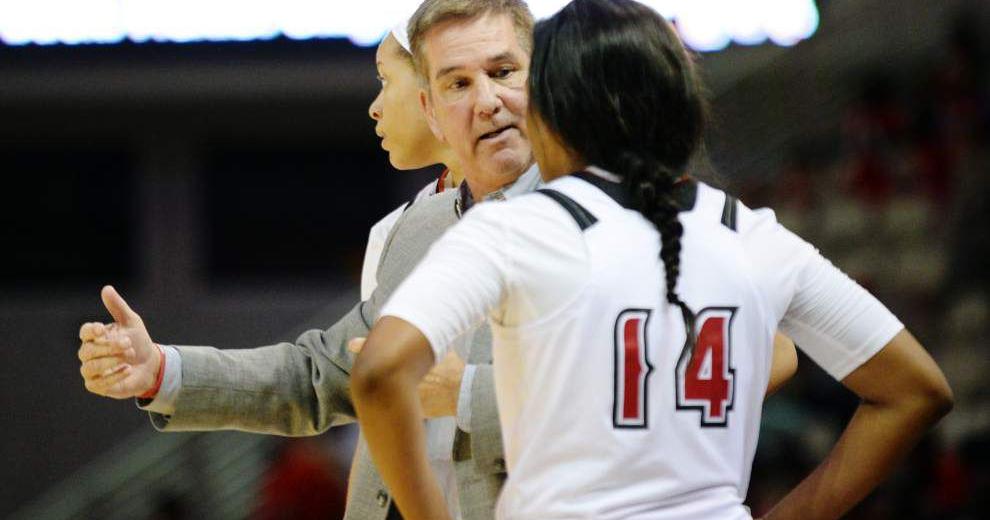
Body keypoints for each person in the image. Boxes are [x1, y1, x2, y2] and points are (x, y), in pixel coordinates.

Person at [78, 1, 795, 518]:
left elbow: (759, 355)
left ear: (546, 81)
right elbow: (326, 375)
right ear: (431, 106)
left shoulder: (625, 206)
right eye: (457, 83)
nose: (488, 101)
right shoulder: (419, 226)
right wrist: (163, 371)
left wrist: (473, 394)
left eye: (504, 71)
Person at [350, 1, 954, 520]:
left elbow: (378, 374)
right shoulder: (752, 234)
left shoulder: (518, 230)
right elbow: (917, 391)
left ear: (549, 110)